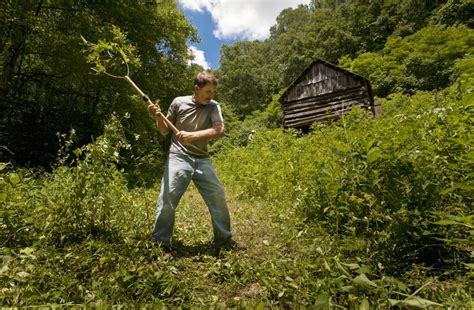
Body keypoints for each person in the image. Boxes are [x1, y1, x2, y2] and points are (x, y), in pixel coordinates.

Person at [148, 71, 242, 252]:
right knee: (167, 197)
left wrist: (193, 135)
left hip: (202, 159)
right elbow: (164, 131)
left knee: (218, 196)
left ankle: (224, 241)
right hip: (179, 155)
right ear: (196, 89)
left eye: (213, 91)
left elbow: (219, 130)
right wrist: (157, 117)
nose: (211, 95)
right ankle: (161, 244)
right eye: (208, 91)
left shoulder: (214, 106)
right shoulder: (178, 102)